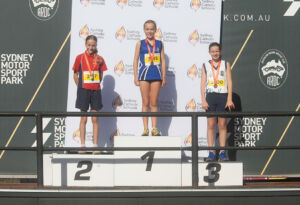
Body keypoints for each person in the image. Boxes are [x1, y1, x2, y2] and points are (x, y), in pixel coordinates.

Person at [73, 35, 107, 154]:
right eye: (89, 45)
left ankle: (95, 146)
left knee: (95, 119)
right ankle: (82, 146)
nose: (91, 47)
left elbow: (101, 75)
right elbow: (75, 74)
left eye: (93, 45)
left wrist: (95, 84)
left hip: (96, 91)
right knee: (83, 118)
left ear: (96, 45)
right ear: (85, 44)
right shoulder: (80, 58)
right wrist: (80, 86)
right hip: (83, 90)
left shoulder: (100, 59)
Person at [201, 42, 235, 161]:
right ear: (209, 52)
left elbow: (229, 82)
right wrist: (203, 100)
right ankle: (211, 152)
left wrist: (229, 98)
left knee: (222, 125)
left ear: (220, 52)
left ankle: (222, 152)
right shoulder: (205, 65)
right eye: (213, 51)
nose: (215, 53)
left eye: (217, 51)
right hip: (210, 97)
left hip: (223, 97)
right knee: (210, 125)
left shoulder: (226, 64)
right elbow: (202, 83)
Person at [133, 20, 166, 136]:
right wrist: (135, 77)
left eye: (152, 29)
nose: (149, 31)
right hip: (143, 75)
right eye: (147, 29)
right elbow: (135, 59)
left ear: (156, 30)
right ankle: (145, 129)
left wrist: (164, 76)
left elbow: (163, 60)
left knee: (154, 102)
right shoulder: (139, 43)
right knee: (145, 102)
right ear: (144, 30)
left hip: (156, 75)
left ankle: (155, 129)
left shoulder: (160, 44)